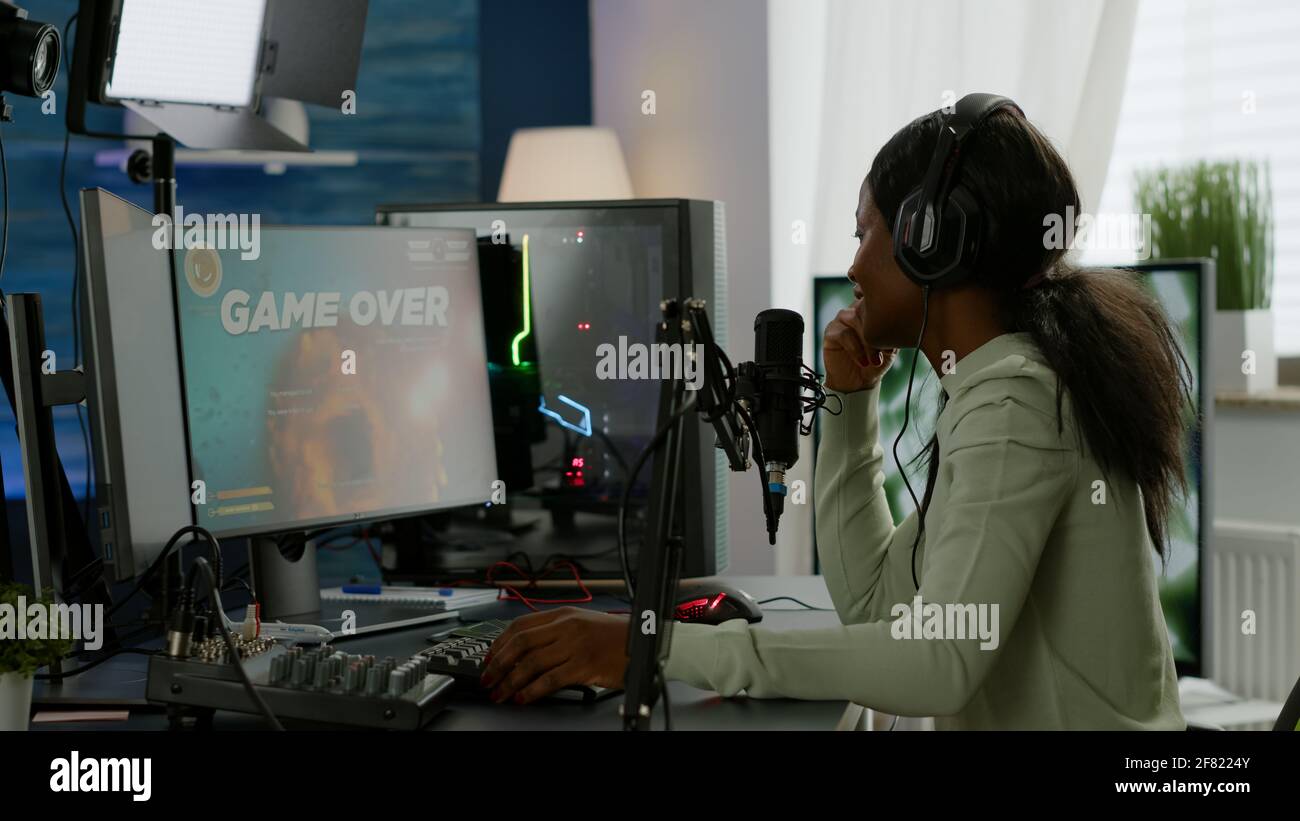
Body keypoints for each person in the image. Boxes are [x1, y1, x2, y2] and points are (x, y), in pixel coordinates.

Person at [476, 98, 1192, 729]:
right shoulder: (1004, 386)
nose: (853, 266)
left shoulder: (1017, 400)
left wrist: (652, 645)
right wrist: (848, 405)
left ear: (928, 239)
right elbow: (879, 608)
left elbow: (937, 657)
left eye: (864, 232)